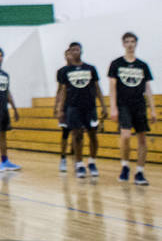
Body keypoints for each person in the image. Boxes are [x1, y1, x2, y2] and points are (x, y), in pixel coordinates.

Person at [108, 32, 156, 185]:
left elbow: (148, 88)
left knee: (142, 139)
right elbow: (112, 87)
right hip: (123, 105)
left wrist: (153, 109)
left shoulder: (143, 65)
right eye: (127, 41)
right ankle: (125, 167)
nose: (130, 44)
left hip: (139, 105)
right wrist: (113, 107)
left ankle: (140, 172)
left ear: (136, 43)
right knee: (126, 135)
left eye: (132, 41)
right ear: (123, 44)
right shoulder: (116, 64)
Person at [54, 42, 106, 179]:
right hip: (73, 107)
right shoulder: (66, 71)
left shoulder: (90, 68)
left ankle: (92, 162)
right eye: (72, 50)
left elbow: (97, 87)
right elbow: (63, 90)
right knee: (77, 136)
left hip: (90, 107)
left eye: (77, 49)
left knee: (93, 135)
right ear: (70, 52)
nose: (75, 52)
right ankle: (79, 164)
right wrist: (59, 108)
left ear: (81, 51)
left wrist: (104, 105)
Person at [56, 47, 74, 172]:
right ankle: (63, 158)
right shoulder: (62, 71)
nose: (69, 56)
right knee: (65, 132)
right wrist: (56, 106)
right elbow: (59, 89)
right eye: (67, 54)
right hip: (66, 106)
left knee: (77, 133)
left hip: (77, 105)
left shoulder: (81, 69)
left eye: (71, 54)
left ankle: (76, 159)